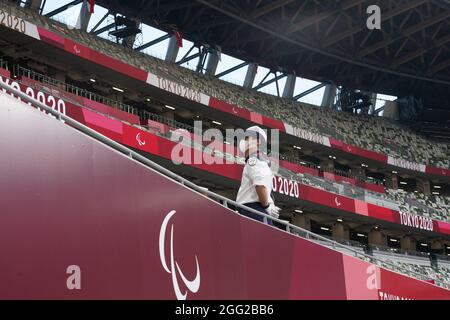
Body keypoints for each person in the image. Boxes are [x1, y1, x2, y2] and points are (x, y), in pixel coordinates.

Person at [236, 126, 280, 225]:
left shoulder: (254, 160)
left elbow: (260, 185)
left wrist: (266, 206)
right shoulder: (257, 160)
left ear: (258, 142)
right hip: (255, 210)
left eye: (248, 138)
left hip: (254, 210)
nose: (244, 140)